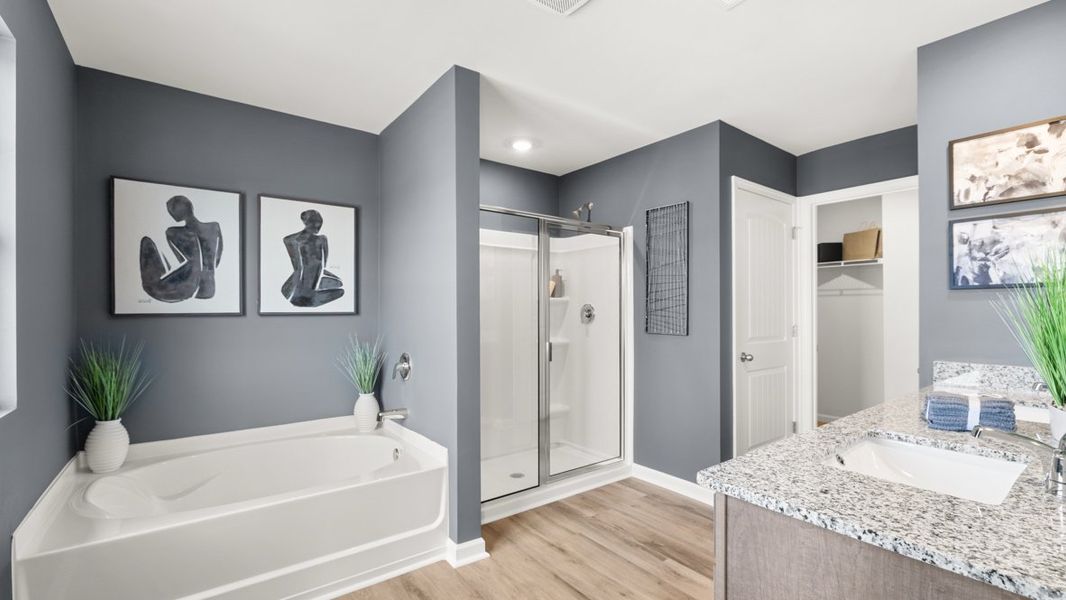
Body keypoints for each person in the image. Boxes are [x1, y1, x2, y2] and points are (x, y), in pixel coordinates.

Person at [139, 195, 223, 302]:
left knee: (147, 244)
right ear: (191, 207)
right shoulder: (214, 227)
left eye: (170, 211)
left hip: (190, 288)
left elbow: (182, 260)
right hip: (209, 289)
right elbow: (217, 259)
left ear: (175, 215)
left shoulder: (173, 232)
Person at [281, 209, 344, 307]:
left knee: (339, 283)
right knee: (340, 290)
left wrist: (329, 274)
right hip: (303, 289)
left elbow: (323, 266)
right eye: (314, 223)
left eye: (319, 223)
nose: (318, 226)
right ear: (306, 223)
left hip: (313, 278)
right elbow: (299, 268)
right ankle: (305, 295)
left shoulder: (322, 239)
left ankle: (307, 292)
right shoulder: (294, 240)